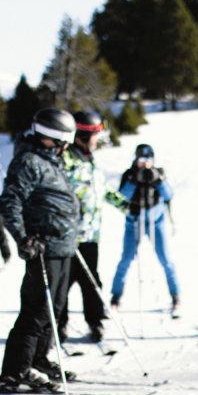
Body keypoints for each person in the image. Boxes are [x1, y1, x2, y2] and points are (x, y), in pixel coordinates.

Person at [0, 108, 80, 392]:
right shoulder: (28, 162)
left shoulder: (52, 162)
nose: (67, 147)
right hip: (43, 248)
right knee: (36, 310)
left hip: (63, 246)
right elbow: (10, 202)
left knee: (55, 309)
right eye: (65, 141)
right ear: (54, 138)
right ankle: (15, 370)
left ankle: (39, 360)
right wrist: (23, 238)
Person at [59, 111, 118, 342]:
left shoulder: (90, 160)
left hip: (91, 236)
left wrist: (128, 206)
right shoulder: (66, 160)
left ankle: (95, 322)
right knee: (63, 283)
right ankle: (59, 325)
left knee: (92, 282)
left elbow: (103, 191)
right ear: (83, 135)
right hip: (69, 236)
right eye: (95, 135)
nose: (97, 140)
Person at [109, 143, 181, 317]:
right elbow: (121, 197)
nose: (145, 163)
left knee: (166, 260)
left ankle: (176, 297)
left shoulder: (159, 173)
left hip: (156, 222)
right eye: (142, 159)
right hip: (133, 222)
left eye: (149, 159)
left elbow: (169, 195)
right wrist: (134, 181)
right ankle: (115, 297)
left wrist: (158, 181)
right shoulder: (129, 174)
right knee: (125, 259)